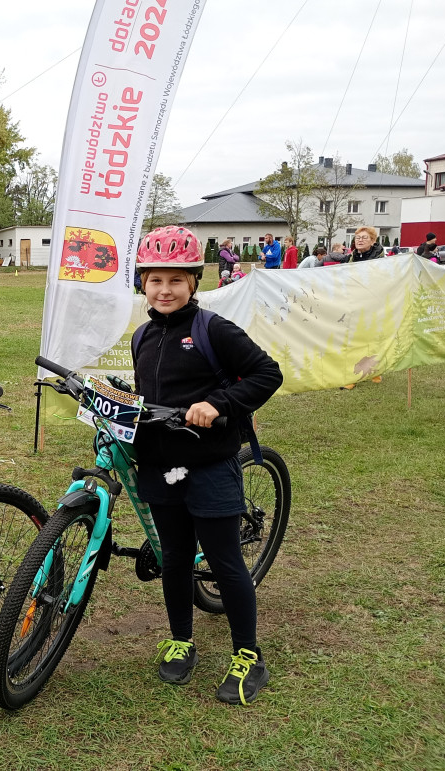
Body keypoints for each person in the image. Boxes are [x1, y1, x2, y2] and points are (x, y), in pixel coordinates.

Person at [130, 225, 283, 705]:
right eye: (155, 280)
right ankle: (181, 640)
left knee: (223, 560)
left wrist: (218, 404)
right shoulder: (142, 335)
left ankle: (248, 655)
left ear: (195, 282)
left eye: (176, 280)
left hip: (210, 465)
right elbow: (149, 397)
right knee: (175, 558)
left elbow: (266, 373)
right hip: (160, 468)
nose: (165, 290)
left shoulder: (213, 329)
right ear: (143, 284)